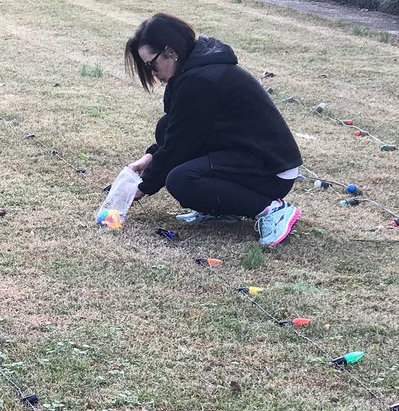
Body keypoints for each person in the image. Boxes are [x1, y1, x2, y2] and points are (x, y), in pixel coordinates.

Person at [123, 13, 304, 247]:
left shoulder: (201, 80)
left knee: (181, 180)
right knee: (165, 126)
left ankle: (272, 210)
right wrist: (147, 159)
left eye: (151, 65)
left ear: (171, 52)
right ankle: (222, 207)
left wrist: (143, 187)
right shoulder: (192, 71)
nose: (151, 73)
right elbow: (180, 130)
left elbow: (180, 145)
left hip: (270, 170)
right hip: (243, 154)